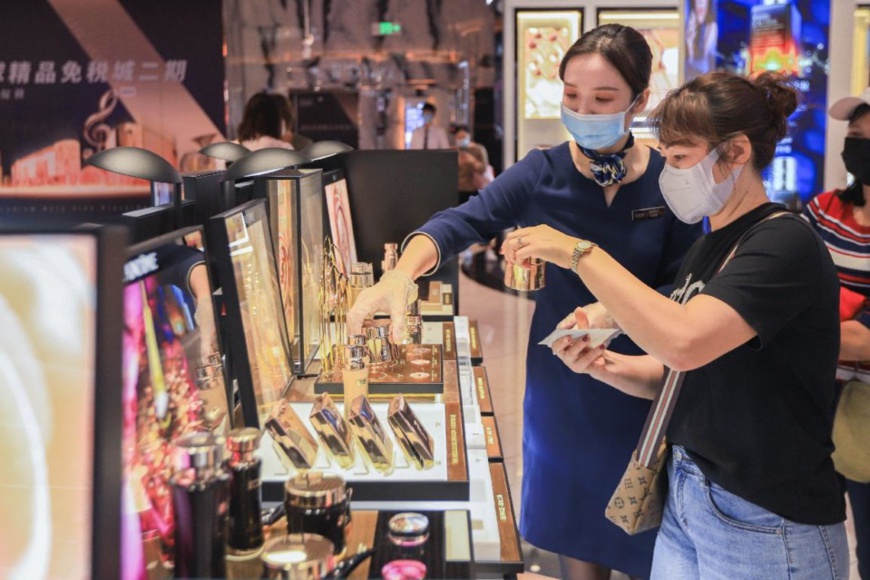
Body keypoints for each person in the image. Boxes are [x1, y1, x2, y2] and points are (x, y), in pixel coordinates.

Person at [349, 24, 703, 579]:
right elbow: (459, 221)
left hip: (642, 382)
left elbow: (687, 285)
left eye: (603, 99)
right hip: (563, 388)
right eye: (571, 96)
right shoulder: (542, 170)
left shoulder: (668, 180)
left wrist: (611, 313)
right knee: (576, 541)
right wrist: (401, 274)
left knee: (646, 542)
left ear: (640, 101)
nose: (584, 110)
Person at [506, 70, 848, 578]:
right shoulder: (710, 246)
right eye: (666, 156)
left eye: (681, 158)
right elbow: (683, 377)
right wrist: (605, 366)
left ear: (735, 153)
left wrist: (578, 252)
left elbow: (684, 342)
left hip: (767, 517)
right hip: (690, 494)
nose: (670, 172)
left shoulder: (784, 244)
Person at [803, 85, 870, 580]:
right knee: (811, 538)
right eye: (855, 135)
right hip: (809, 399)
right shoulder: (825, 209)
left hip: (863, 414)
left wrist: (791, 324)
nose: (859, 146)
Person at [685, 0, 718, 80]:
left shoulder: (712, 27)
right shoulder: (690, 28)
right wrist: (689, 43)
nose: (700, 3)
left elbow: (705, 66)